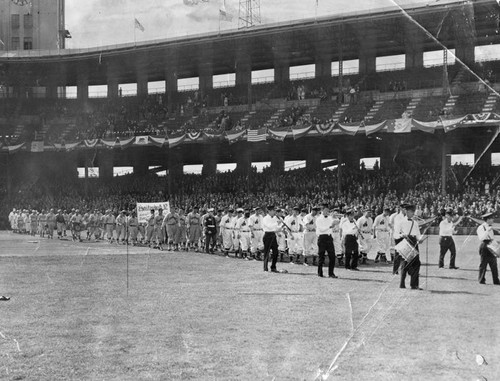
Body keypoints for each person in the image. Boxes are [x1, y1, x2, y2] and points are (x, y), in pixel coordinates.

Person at [398, 204, 424, 290]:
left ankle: (414, 285)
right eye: (411, 212)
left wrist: (420, 239)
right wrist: (402, 235)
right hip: (405, 242)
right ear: (406, 212)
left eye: (413, 212)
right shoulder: (401, 221)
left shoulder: (415, 223)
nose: (413, 213)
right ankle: (402, 284)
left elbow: (417, 234)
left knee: (417, 263)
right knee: (405, 264)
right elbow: (396, 233)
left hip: (414, 242)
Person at [476, 212, 500, 285]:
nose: (493, 220)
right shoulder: (481, 227)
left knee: (494, 264)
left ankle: (496, 281)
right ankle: (481, 280)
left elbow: (491, 238)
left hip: (491, 244)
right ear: (488, 219)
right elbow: (481, 238)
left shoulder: (490, 227)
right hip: (484, 246)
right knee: (483, 264)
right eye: (491, 218)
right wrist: (487, 231)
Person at [315, 204, 338, 278]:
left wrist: (335, 217)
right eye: (325, 210)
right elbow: (321, 229)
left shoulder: (330, 218)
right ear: (322, 211)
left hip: (329, 237)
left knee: (332, 256)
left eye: (328, 211)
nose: (327, 212)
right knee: (321, 257)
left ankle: (331, 273)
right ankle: (320, 273)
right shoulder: (318, 219)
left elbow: (337, 221)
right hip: (322, 238)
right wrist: (330, 226)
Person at [262, 205, 284, 273]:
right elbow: (269, 226)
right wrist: (277, 223)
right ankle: (265, 268)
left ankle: (273, 267)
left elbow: (276, 227)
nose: (274, 212)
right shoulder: (265, 218)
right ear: (269, 211)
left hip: (273, 235)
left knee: (276, 252)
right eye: (273, 210)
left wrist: (280, 227)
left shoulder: (275, 218)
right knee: (267, 252)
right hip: (267, 235)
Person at [392, 204, 408, 275]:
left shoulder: (407, 216)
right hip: (399, 236)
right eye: (404, 208)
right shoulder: (398, 217)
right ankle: (395, 270)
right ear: (401, 209)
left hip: (406, 236)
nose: (406, 210)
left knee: (406, 254)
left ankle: (405, 270)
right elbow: (398, 228)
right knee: (398, 254)